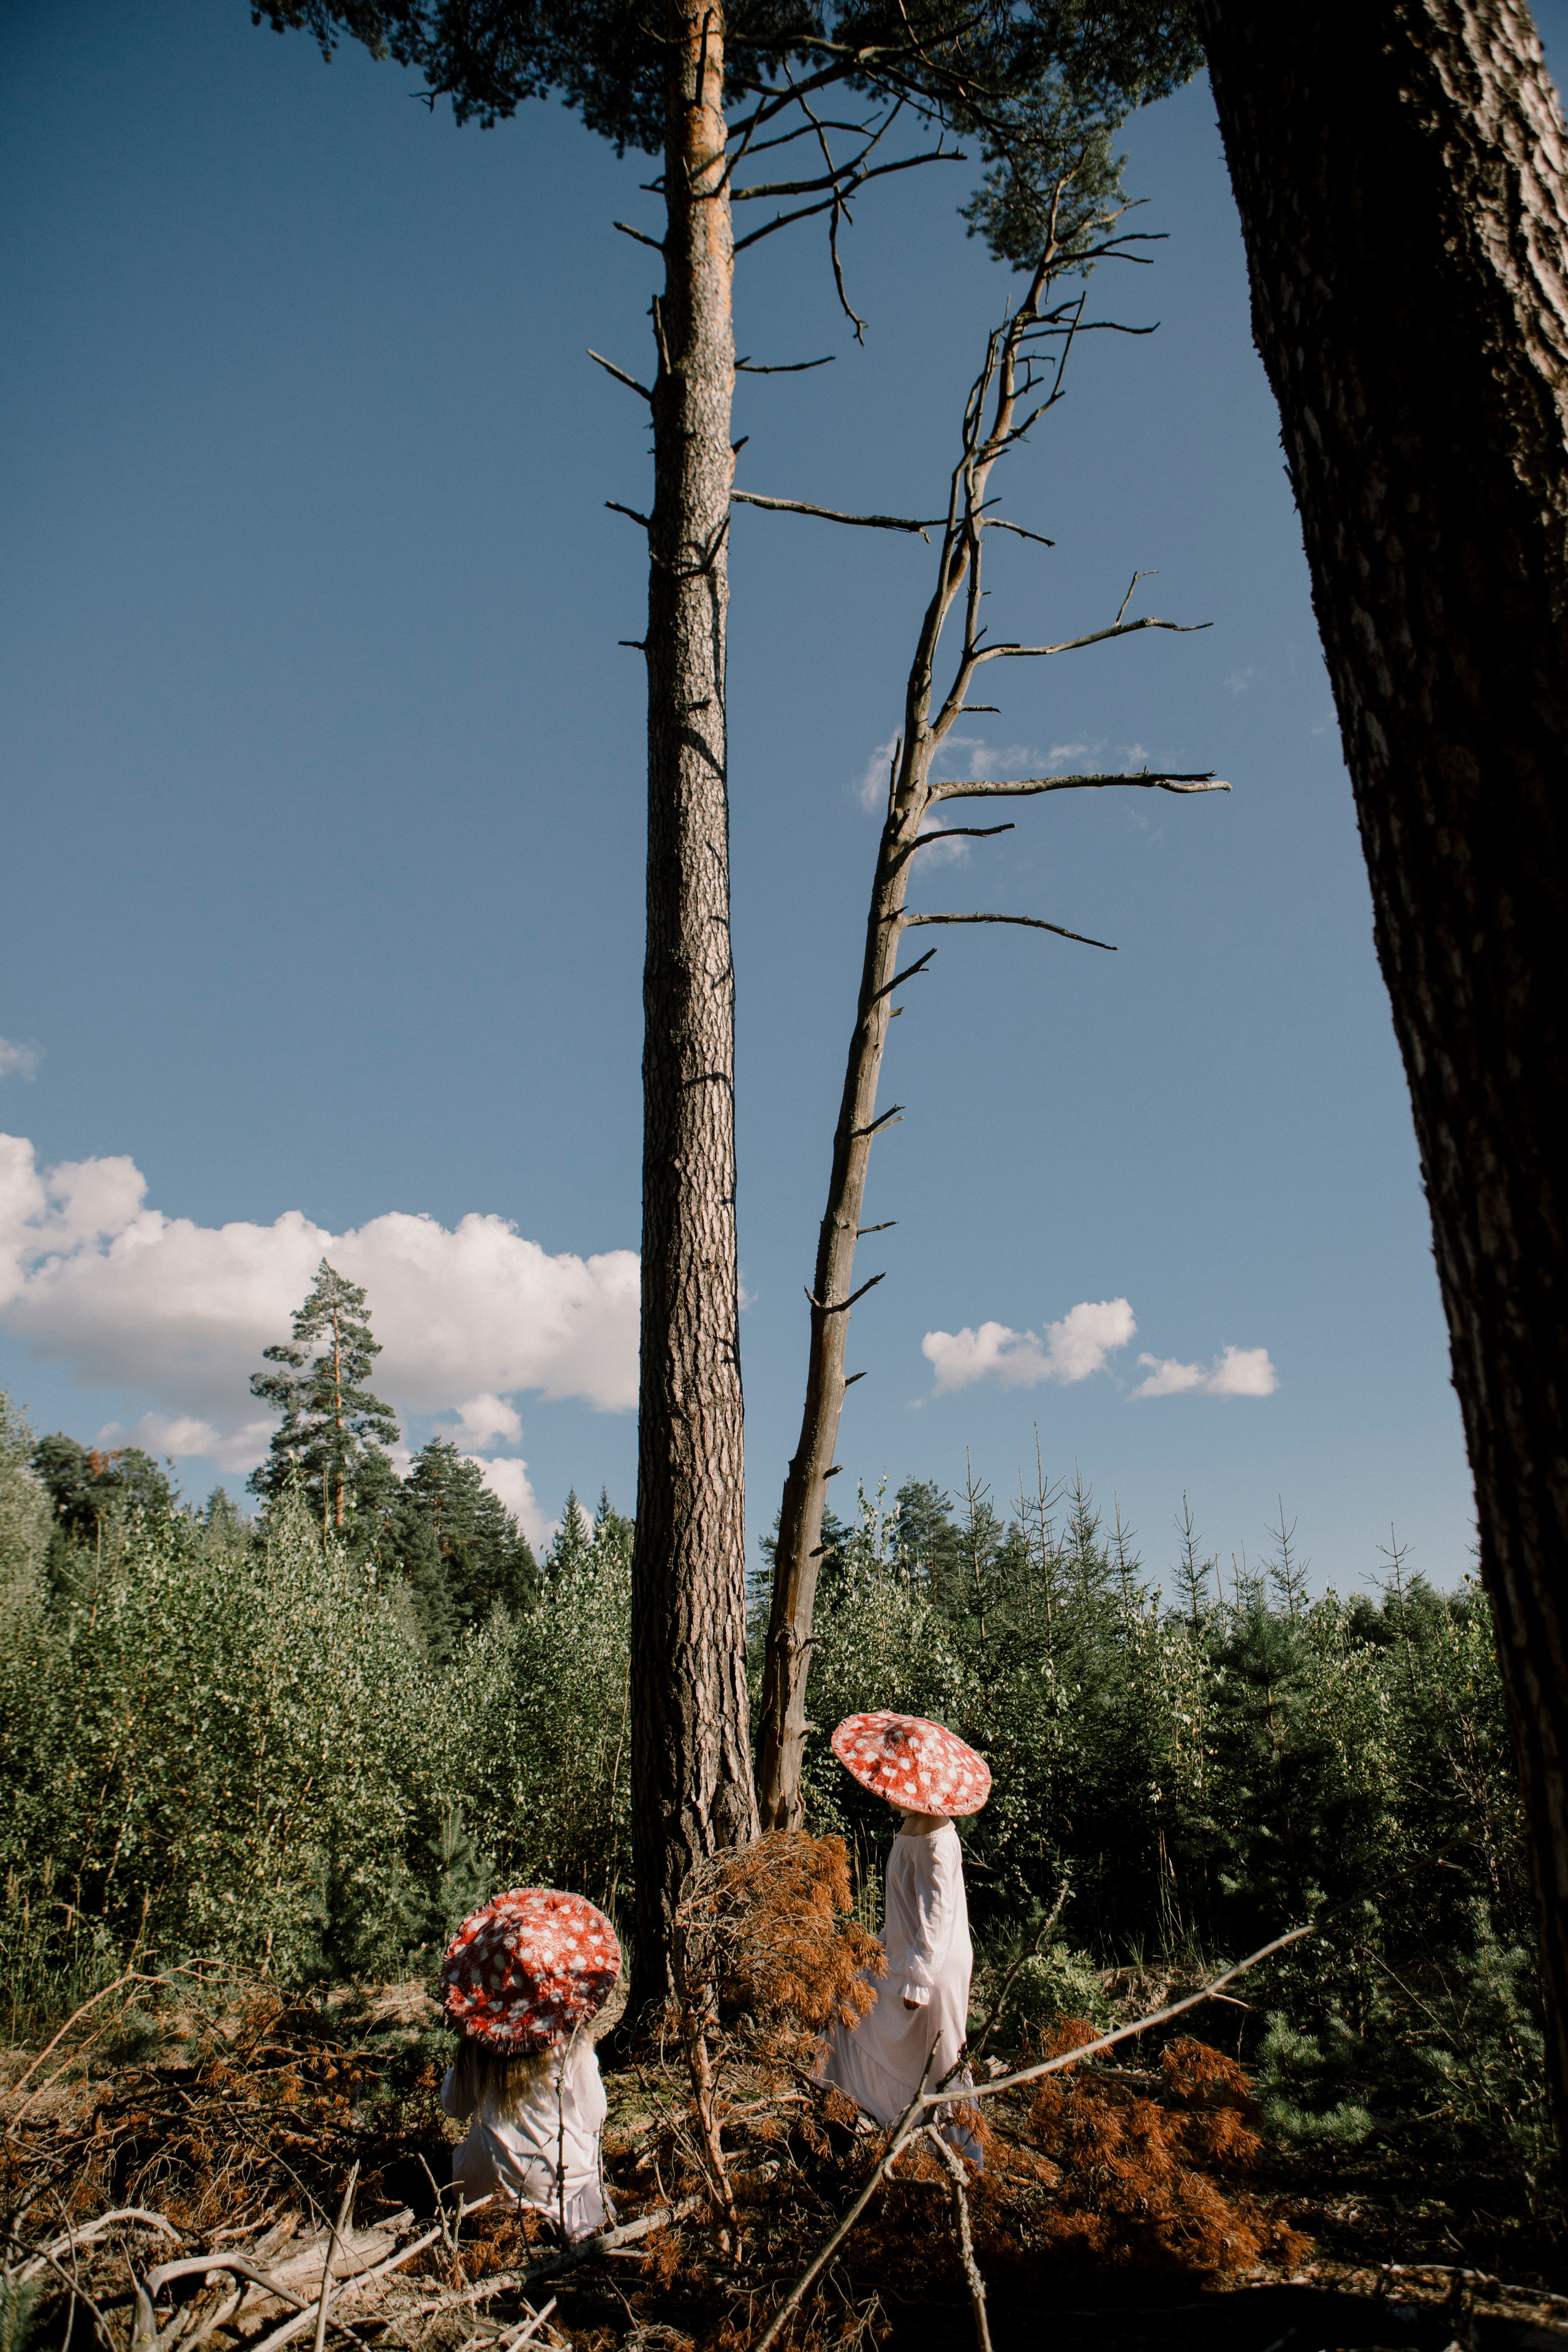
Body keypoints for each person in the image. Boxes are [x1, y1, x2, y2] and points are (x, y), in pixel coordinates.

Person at [816, 1710, 991, 2163]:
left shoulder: (937, 1840)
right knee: (847, 2011)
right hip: (907, 1952)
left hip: (933, 1965)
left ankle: (963, 2159)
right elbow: (908, 1911)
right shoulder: (916, 1825)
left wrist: (918, 1980)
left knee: (940, 2061)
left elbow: (937, 1915)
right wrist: (877, 1948)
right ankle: (841, 2124)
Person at [439, 1885, 620, 2237]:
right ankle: (561, 2219)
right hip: (557, 2181)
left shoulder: (478, 2046)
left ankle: (495, 2216)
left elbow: (454, 2106)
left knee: (466, 2157)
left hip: (481, 2186)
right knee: (586, 2160)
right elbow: (596, 2111)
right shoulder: (573, 2045)